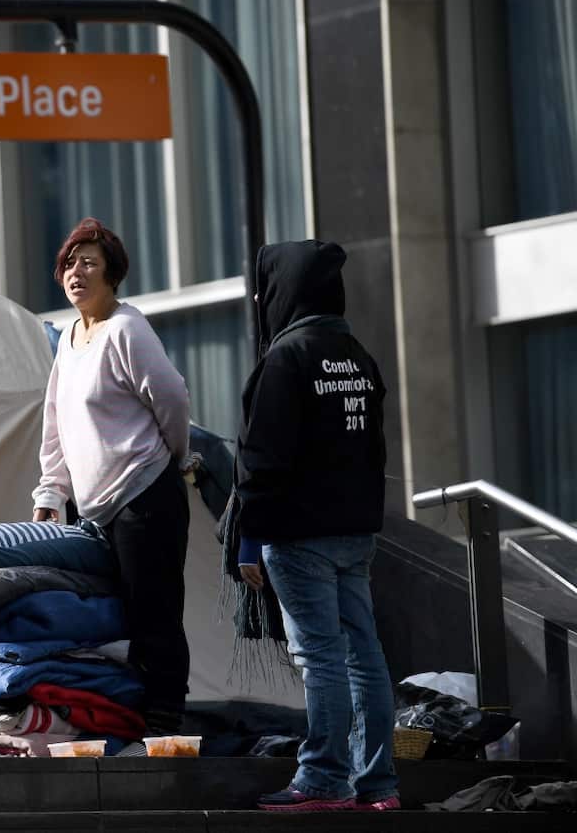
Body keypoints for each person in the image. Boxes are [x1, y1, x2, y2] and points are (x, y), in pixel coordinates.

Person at [234, 239, 397, 812]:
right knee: (364, 655)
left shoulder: (287, 358)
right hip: (355, 531)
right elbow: (374, 450)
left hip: (298, 534)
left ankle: (324, 779)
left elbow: (261, 460)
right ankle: (378, 784)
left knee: (321, 659)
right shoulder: (357, 356)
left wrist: (250, 537)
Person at [31, 217, 192, 734]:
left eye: (89, 263)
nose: (77, 272)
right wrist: (50, 492)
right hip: (94, 508)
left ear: (112, 274)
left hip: (145, 495)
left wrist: (172, 455)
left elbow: (172, 397)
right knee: (112, 616)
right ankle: (128, 714)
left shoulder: (127, 327)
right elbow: (55, 424)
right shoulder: (70, 339)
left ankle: (166, 717)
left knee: (154, 614)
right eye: (69, 264)